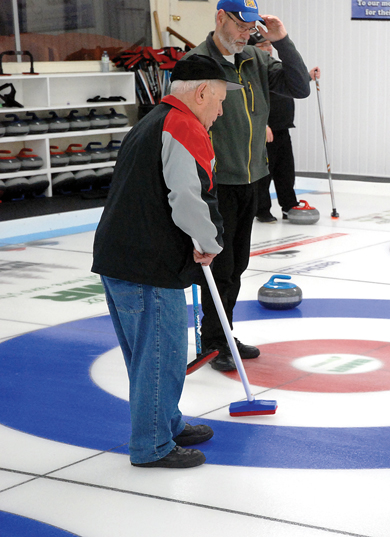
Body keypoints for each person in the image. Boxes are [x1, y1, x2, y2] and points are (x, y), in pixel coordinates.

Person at [92, 55, 241, 468]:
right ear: (202, 91)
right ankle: (152, 445)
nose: (221, 110)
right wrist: (209, 242)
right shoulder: (183, 125)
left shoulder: (153, 120)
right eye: (221, 99)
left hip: (122, 257)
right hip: (148, 264)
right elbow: (187, 197)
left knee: (149, 356)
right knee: (161, 356)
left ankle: (166, 422)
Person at [184, 0, 311, 372]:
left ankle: (225, 334)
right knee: (218, 267)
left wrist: (282, 41)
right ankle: (213, 341)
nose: (245, 33)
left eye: (250, 27)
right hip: (215, 182)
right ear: (220, 17)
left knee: (236, 266)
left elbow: (299, 87)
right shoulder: (198, 63)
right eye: (240, 25)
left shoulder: (255, 58)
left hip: (252, 177)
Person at [250, 38, 320, 223]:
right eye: (262, 46)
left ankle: (288, 205)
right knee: (266, 172)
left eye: (268, 45)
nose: (268, 49)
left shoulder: (274, 67)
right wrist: (262, 125)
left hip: (283, 126)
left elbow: (290, 82)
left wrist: (307, 76)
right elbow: (251, 101)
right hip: (265, 130)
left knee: (285, 171)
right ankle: (262, 209)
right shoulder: (255, 70)